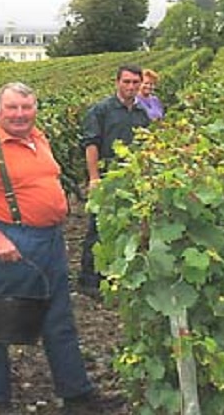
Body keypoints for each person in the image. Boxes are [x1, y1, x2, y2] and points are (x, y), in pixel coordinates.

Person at [0, 82, 99, 413]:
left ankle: (77, 396)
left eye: (26, 108)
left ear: (35, 110)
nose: (19, 114)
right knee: (1, 326)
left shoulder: (38, 138)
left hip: (50, 241)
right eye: (12, 108)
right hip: (14, 243)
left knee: (60, 320)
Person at [80, 65, 150, 293]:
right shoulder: (101, 110)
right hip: (107, 177)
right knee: (98, 228)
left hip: (132, 177)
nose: (131, 87)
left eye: (135, 83)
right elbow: (91, 145)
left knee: (126, 227)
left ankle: (117, 277)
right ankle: (89, 281)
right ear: (117, 82)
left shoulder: (142, 113)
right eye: (126, 82)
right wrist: (94, 178)